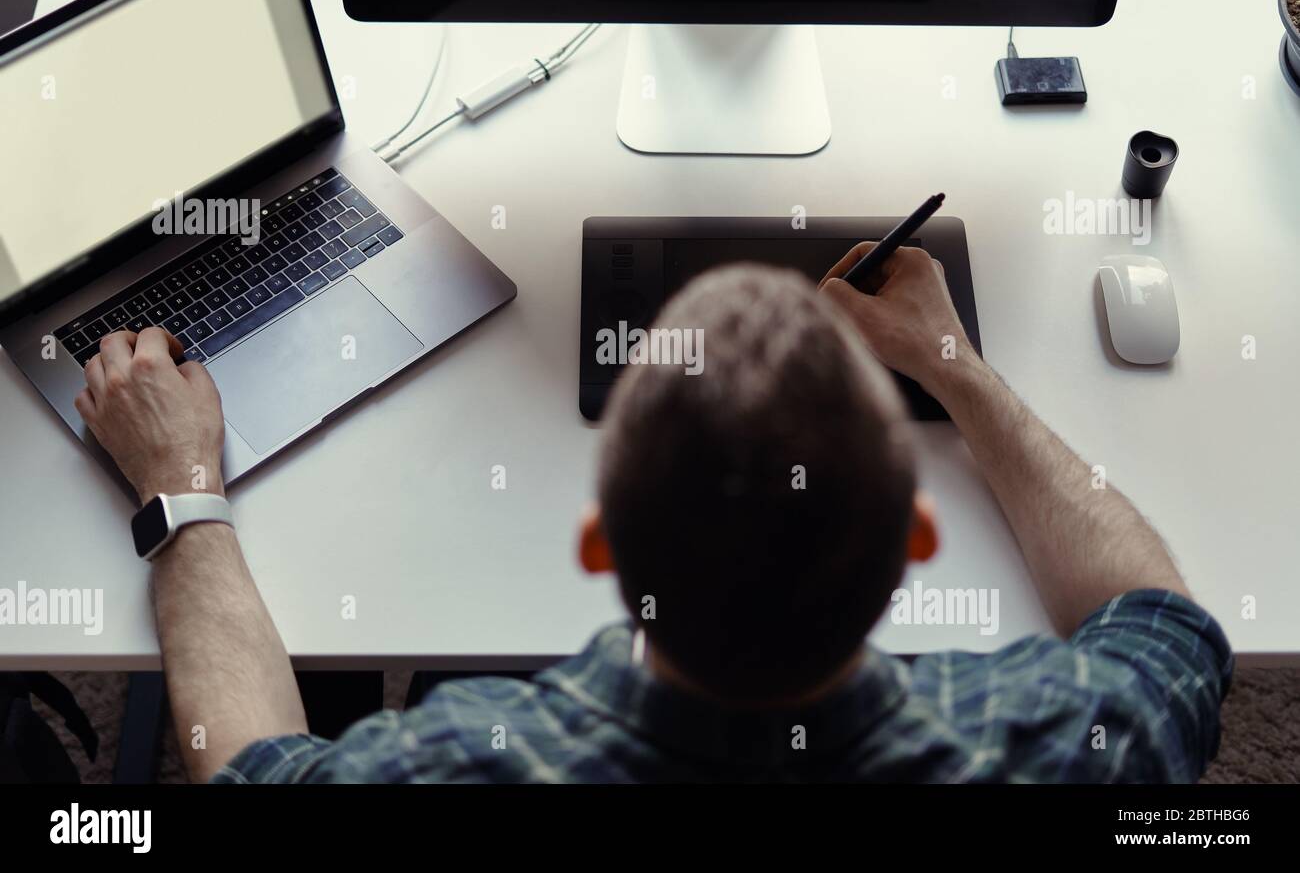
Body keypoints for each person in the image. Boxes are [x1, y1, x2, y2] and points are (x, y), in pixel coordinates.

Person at [74, 246, 1232, 783]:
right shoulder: (1070, 742)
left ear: (598, 548)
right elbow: (1160, 619)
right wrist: (953, 367)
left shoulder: (464, 760)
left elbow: (243, 765)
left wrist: (182, 476)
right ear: (913, 548)